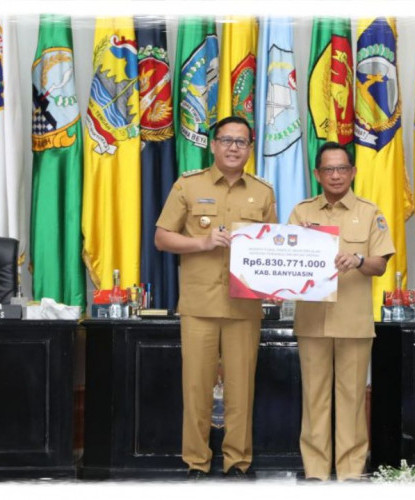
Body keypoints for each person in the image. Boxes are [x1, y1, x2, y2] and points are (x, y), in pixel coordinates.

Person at [155, 116, 277, 479]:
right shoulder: (188, 186)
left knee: (242, 390)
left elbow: (272, 247)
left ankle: (237, 462)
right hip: (200, 306)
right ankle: (196, 461)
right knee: (196, 388)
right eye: (226, 140)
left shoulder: (263, 192)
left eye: (241, 142)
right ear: (213, 145)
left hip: (244, 306)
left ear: (250, 148)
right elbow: (162, 238)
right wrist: (203, 243)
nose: (234, 148)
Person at [288, 142, 395, 481]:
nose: (335, 175)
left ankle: (350, 474)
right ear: (318, 174)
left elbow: (379, 264)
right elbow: (284, 262)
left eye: (342, 169)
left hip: (353, 322)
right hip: (312, 320)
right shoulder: (302, 213)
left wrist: (359, 260)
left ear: (353, 172)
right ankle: (316, 474)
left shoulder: (369, 211)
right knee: (314, 400)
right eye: (328, 170)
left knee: (350, 402)